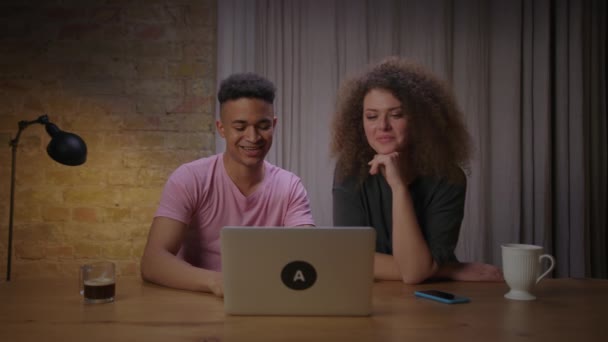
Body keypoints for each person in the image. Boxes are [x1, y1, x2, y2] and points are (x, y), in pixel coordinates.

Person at [331, 57, 503, 284]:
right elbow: (349, 258)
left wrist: (398, 186)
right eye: (372, 116)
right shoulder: (349, 170)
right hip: (374, 296)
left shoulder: (449, 178)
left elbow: (414, 273)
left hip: (431, 300)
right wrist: (448, 270)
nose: (382, 126)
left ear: (421, 120)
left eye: (396, 114)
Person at [141, 73, 315, 296]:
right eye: (240, 127)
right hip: (196, 303)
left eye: (262, 126)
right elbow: (152, 262)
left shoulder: (290, 186)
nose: (253, 137)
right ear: (221, 128)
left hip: (264, 299)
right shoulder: (189, 178)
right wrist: (218, 282)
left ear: (274, 124)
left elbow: (308, 255)